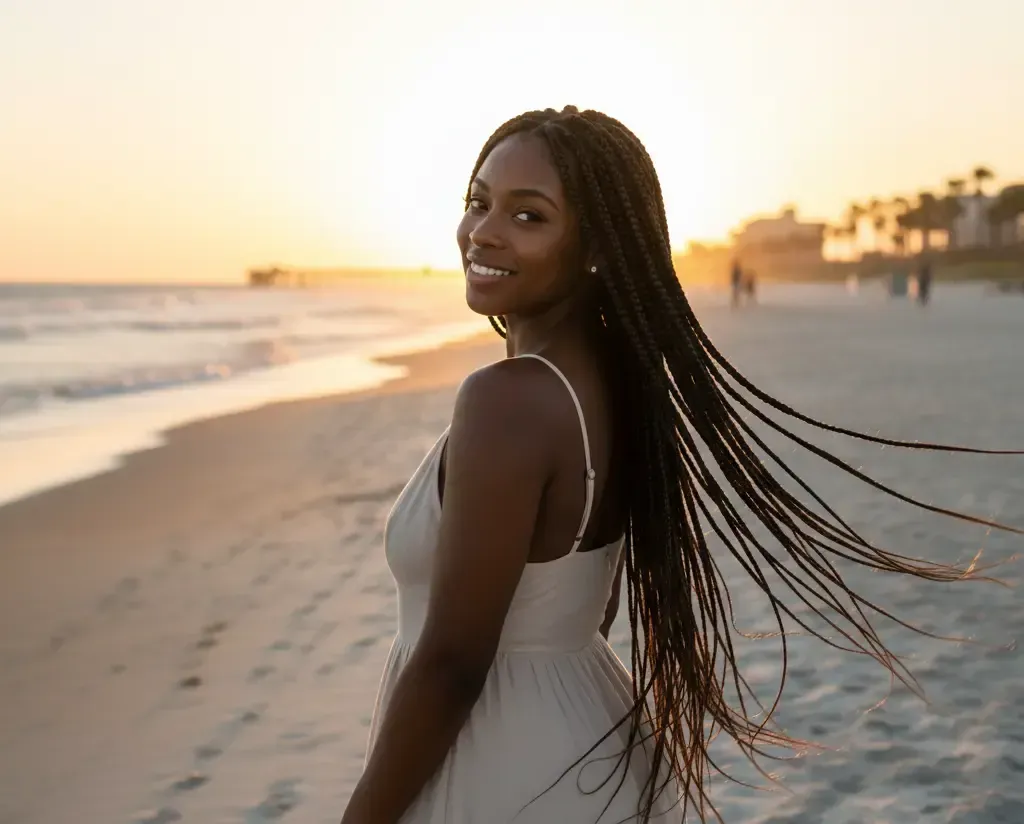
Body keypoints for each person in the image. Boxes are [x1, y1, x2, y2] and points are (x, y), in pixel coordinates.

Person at [342, 106, 1020, 824]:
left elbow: (452, 665)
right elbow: (589, 602)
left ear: (597, 246)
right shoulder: (615, 378)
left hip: (497, 759)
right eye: (478, 202)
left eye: (529, 216)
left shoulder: (507, 401)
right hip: (585, 734)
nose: (484, 231)